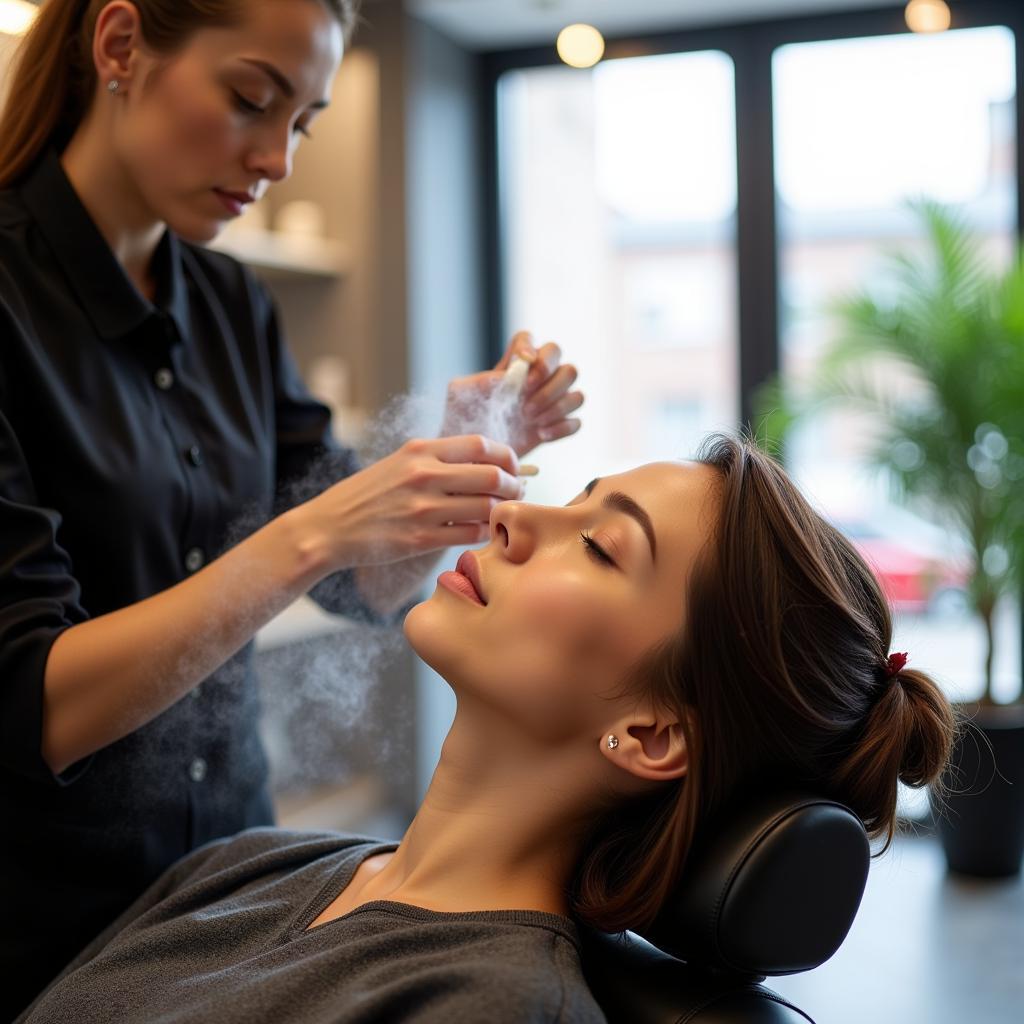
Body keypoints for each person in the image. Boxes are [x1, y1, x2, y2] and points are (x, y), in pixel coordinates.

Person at [0, 0, 584, 1015]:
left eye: (303, 121)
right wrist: (314, 529)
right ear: (121, 46)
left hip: (223, 883)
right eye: (250, 100)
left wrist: (457, 462)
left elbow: (364, 588)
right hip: (36, 923)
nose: (277, 159)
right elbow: (31, 706)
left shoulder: (232, 306)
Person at [16, 433, 956, 1024]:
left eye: (598, 544)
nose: (512, 516)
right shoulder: (247, 863)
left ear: (651, 733)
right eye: (574, 496)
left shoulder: (489, 1004)